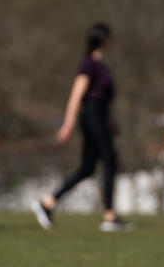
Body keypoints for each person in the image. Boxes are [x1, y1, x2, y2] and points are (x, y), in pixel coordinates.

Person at [32, 23, 133, 232]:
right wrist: (68, 124)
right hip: (92, 117)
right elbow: (77, 94)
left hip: (99, 117)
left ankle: (47, 203)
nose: (112, 40)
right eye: (109, 37)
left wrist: (110, 122)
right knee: (110, 161)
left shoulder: (100, 65)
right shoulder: (89, 65)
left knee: (87, 168)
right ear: (102, 39)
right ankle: (109, 216)